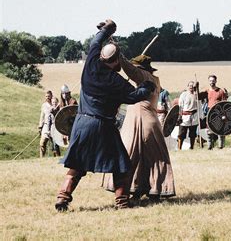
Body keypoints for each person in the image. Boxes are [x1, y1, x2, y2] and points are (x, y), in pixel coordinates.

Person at [55, 20, 155, 211]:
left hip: (81, 124)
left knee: (76, 165)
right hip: (102, 126)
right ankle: (122, 202)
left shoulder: (91, 62)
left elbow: (95, 42)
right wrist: (147, 86)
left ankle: (62, 198)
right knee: (121, 165)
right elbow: (134, 96)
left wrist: (106, 30)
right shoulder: (116, 81)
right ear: (117, 60)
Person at [108, 53, 176, 201]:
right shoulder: (154, 79)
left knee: (128, 155)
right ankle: (150, 188)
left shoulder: (143, 76)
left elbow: (129, 69)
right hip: (151, 121)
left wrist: (116, 53)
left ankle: (127, 190)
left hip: (139, 121)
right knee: (153, 158)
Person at [205, 75, 227, 150]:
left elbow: (224, 103)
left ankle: (221, 146)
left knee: (219, 129)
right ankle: (209, 146)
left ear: (216, 81)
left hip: (219, 112)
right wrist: (196, 88)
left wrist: (224, 115)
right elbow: (198, 96)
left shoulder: (220, 91)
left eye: (213, 80)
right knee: (209, 130)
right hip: (209, 112)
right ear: (208, 81)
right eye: (210, 81)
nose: (212, 82)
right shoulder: (207, 91)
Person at [178, 81, 199, 150]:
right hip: (185, 117)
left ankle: (192, 147)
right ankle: (179, 148)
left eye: (192, 86)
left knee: (193, 135)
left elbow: (200, 106)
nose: (191, 87)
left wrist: (200, 117)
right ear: (188, 86)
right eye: (190, 85)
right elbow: (180, 106)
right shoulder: (183, 95)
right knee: (181, 134)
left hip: (194, 117)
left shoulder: (197, 95)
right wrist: (179, 116)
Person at [38, 90, 54, 158]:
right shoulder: (44, 105)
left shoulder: (54, 103)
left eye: (49, 96)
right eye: (46, 96)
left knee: (55, 145)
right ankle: (42, 158)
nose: (47, 97)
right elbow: (42, 116)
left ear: (51, 96)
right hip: (45, 125)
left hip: (53, 125)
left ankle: (56, 157)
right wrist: (40, 126)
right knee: (42, 143)